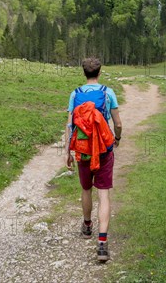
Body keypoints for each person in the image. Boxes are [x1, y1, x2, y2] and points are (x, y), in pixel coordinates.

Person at [66, 57, 122, 262]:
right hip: (104, 149)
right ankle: (102, 244)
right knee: (104, 193)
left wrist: (67, 152)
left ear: (84, 73)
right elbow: (118, 123)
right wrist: (117, 138)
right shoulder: (108, 92)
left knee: (86, 189)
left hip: (83, 150)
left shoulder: (75, 94)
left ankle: (87, 226)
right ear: (99, 72)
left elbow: (70, 125)